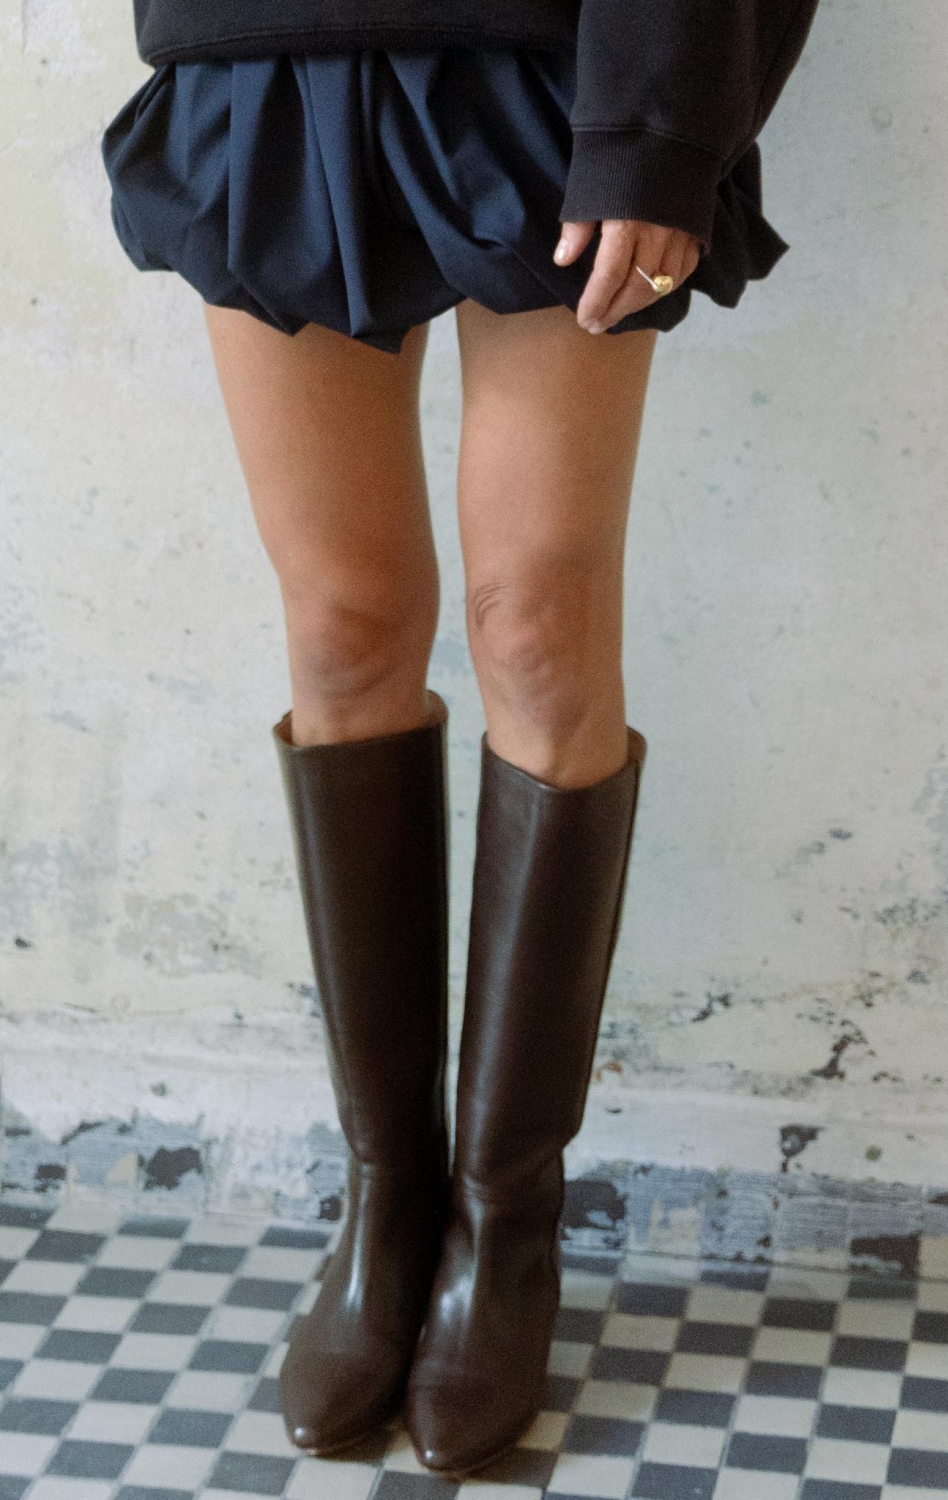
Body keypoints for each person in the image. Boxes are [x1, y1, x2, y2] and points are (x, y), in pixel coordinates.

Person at [101, 0, 821, 1475]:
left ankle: (506, 1219)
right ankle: (390, 1200)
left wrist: (661, 125)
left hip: (554, 57)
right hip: (268, 55)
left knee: (536, 625)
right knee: (343, 625)